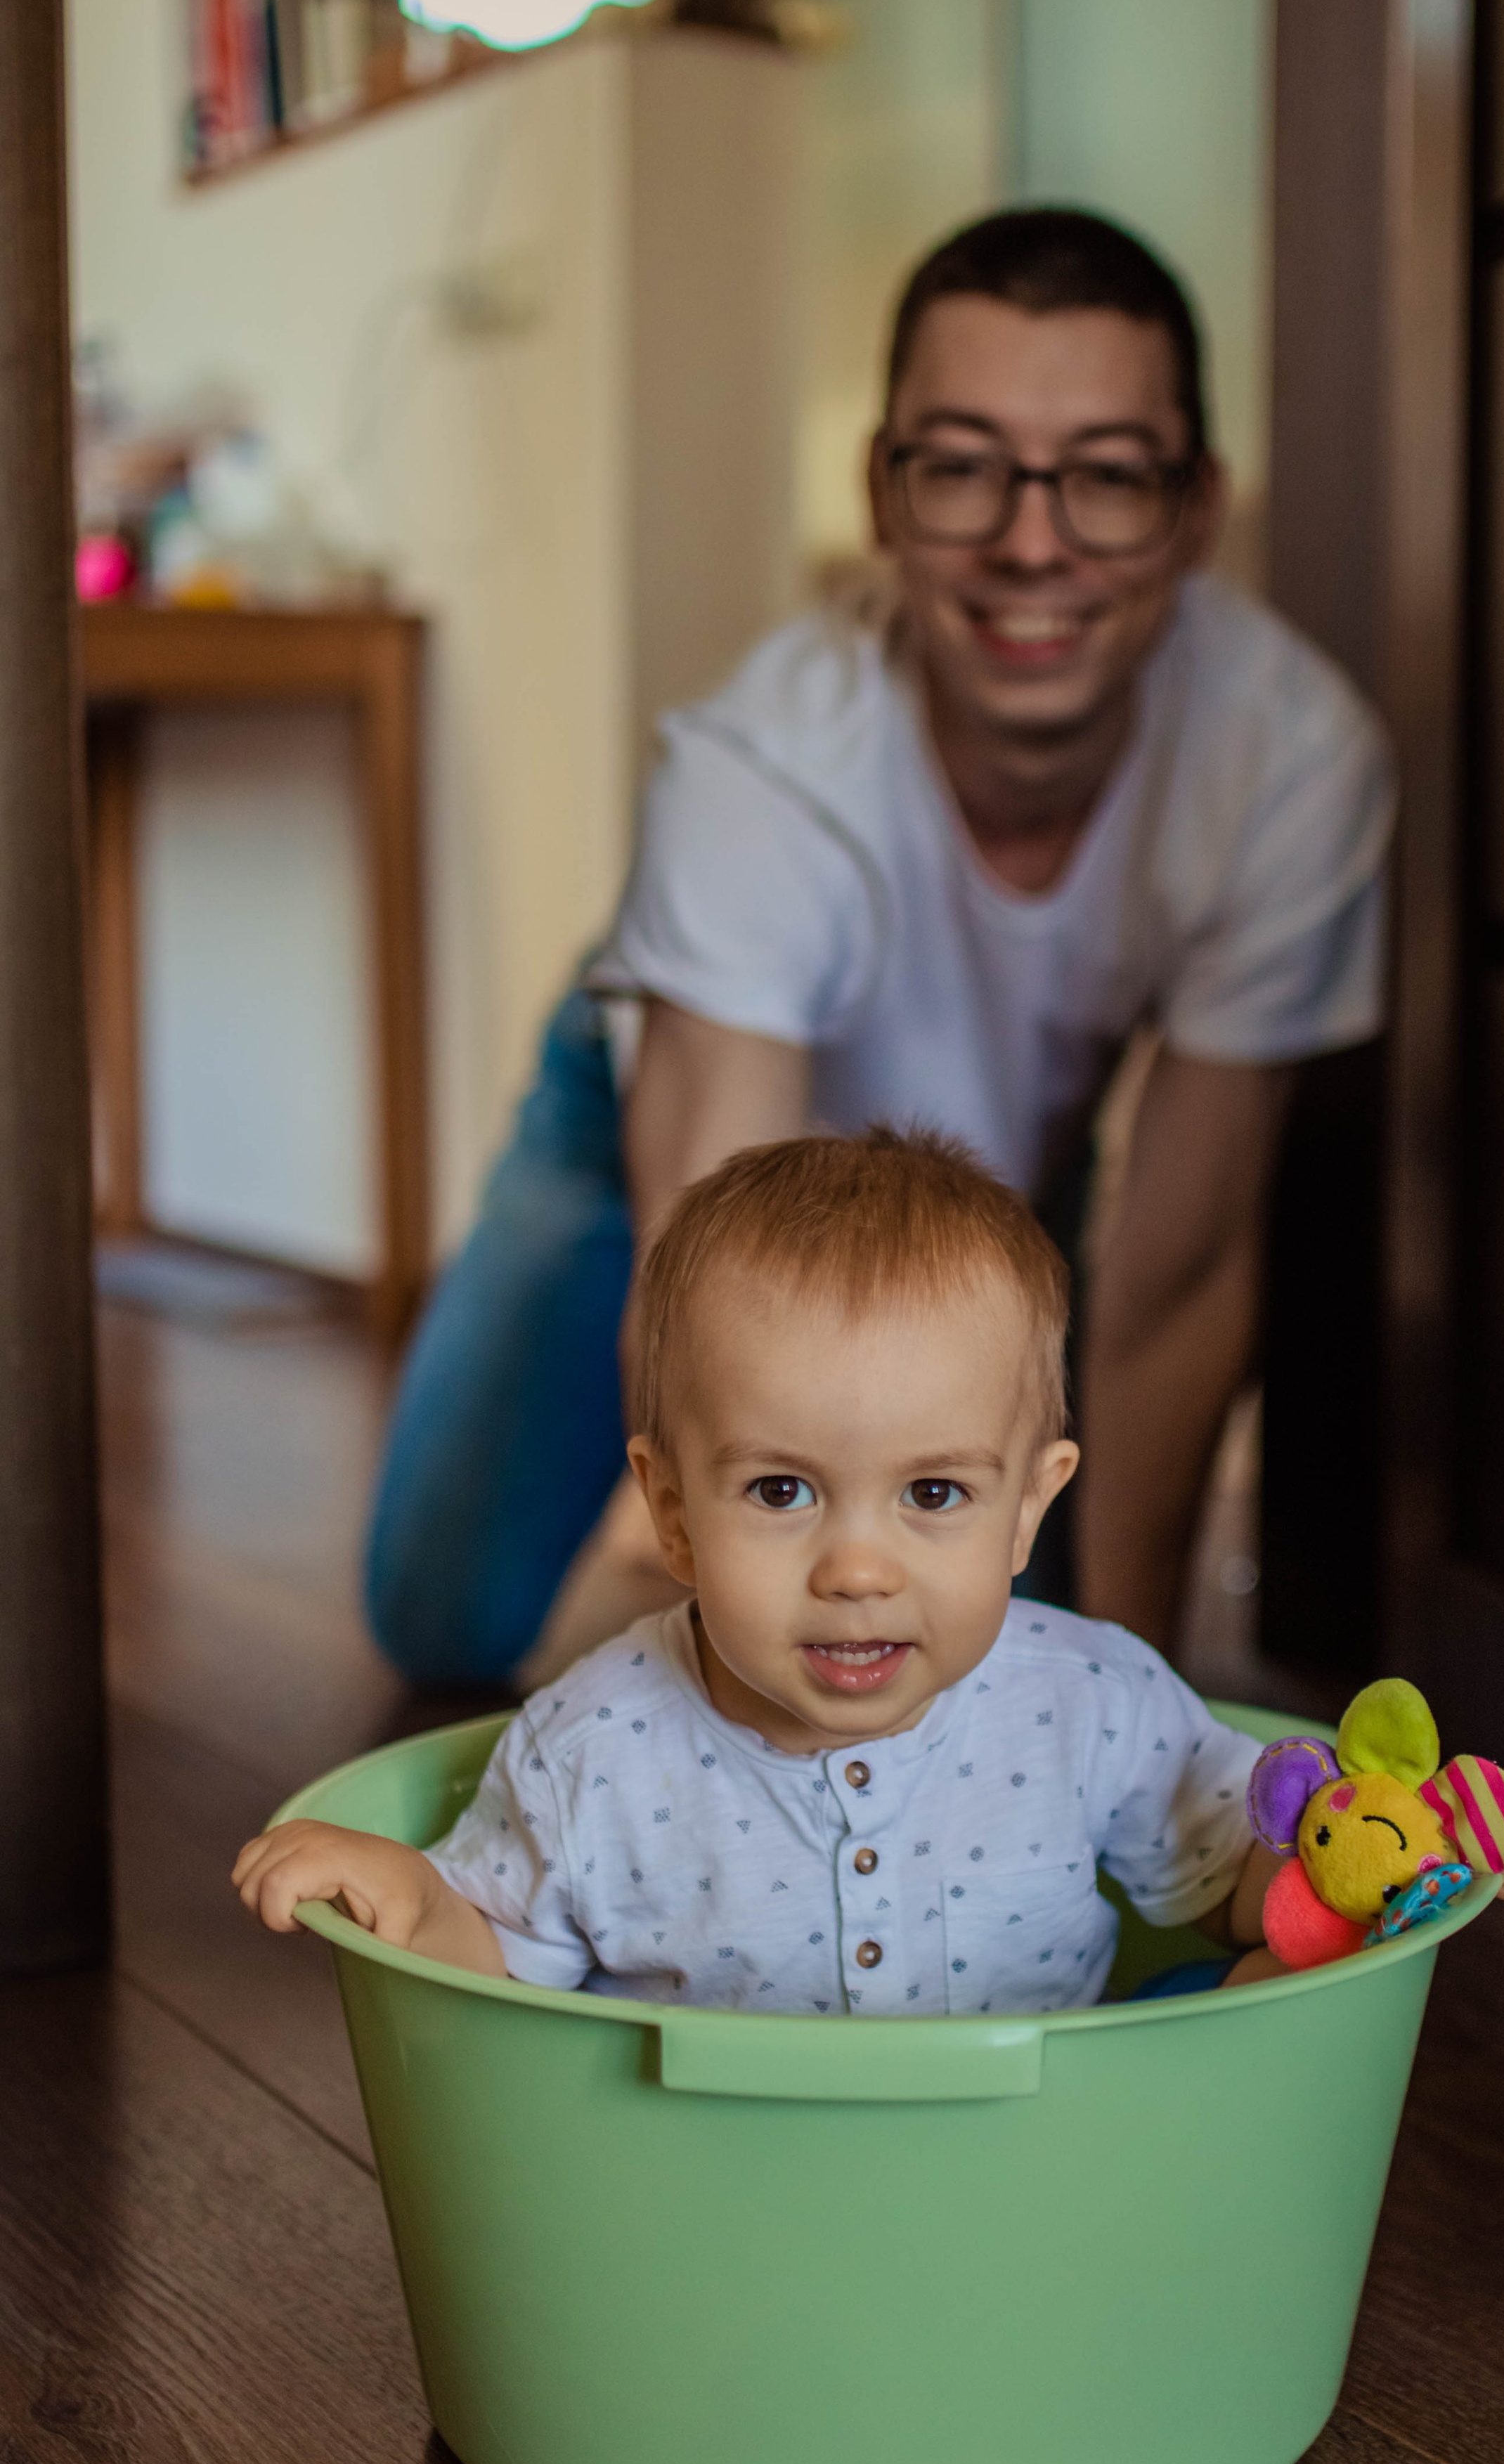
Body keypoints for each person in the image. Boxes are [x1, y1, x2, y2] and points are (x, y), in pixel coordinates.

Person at [365, 207, 1394, 1687]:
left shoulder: (1291, 762)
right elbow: (715, 1282)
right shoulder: (756, 770)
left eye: (1105, 476)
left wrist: (1116, 1718)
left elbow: (1179, 1273)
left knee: (1021, 1600)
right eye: (962, 468)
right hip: (661, 1137)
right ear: (881, 491)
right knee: (444, 1618)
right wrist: (750, 1728)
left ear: (1193, 507)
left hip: (982, 1166)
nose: (1029, 544)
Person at [240, 1129, 1290, 2008]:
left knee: (1257, 1985)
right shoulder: (597, 1746)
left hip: (1039, 2175)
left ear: (1026, 1511)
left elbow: (1235, 1874)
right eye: (782, 1491)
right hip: (721, 2203)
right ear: (674, 1514)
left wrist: (1335, 1868)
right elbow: (499, 1976)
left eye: (933, 1494)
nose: (858, 1570)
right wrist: (417, 1901)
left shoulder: (1093, 1701)